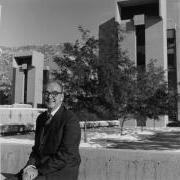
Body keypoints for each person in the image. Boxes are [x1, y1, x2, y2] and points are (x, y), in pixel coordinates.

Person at [11, 80, 81, 180]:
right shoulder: (41, 118)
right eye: (47, 93)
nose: (49, 96)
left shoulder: (70, 120)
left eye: (55, 93)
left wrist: (38, 171)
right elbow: (36, 150)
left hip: (61, 172)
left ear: (62, 97)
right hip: (41, 168)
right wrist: (30, 167)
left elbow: (66, 155)